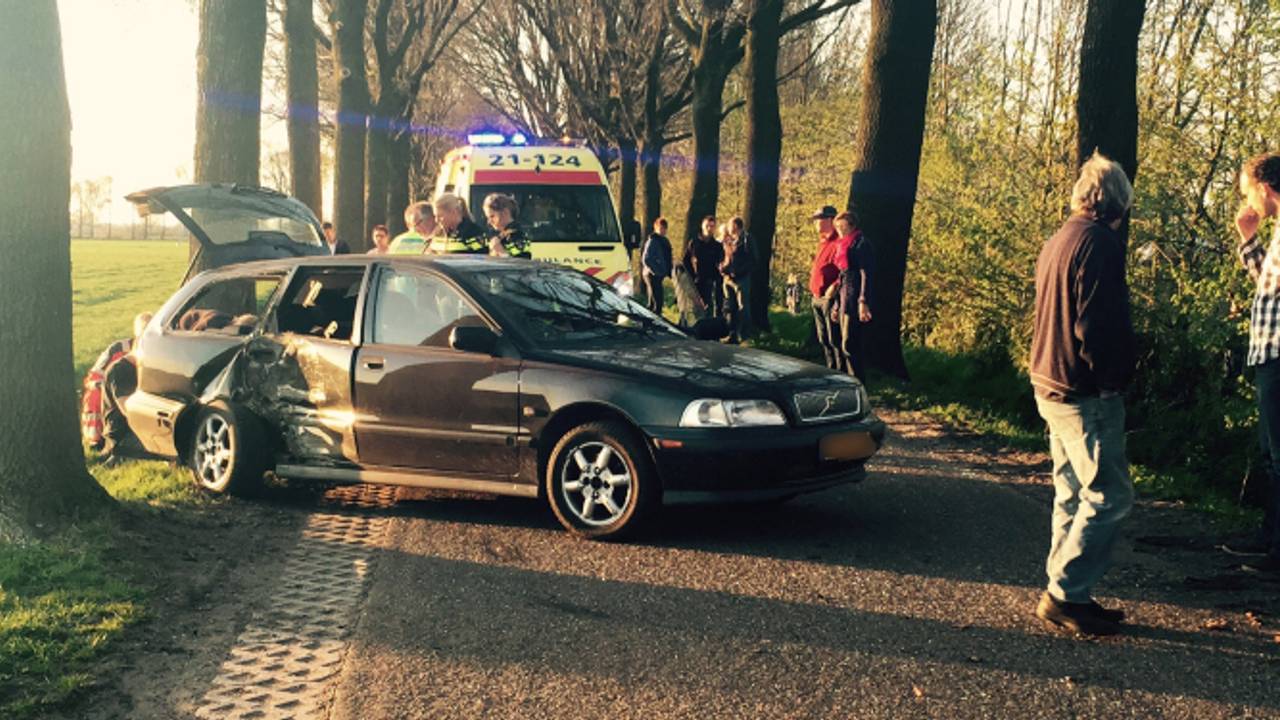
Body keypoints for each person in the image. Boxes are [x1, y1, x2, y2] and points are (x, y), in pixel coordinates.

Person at [1029, 151, 1136, 636]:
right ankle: (1066, 592)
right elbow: (1097, 324)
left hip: (1048, 381)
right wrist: (1114, 378)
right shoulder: (1101, 244)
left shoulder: (1058, 240)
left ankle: (1068, 590)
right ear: (1116, 203)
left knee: (1071, 491)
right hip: (1083, 389)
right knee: (1109, 495)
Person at [1227, 151, 1280, 574]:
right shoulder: (1277, 231)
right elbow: (1270, 288)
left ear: (1264, 188)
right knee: (1269, 453)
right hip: (1269, 354)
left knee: (1278, 455)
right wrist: (1249, 240)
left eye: (1248, 191)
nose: (1247, 200)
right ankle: (1269, 538)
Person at [99, 311, 153, 462]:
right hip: (123, 437)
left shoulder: (151, 368)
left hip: (143, 431)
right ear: (138, 339)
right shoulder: (119, 370)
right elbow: (130, 412)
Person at [833, 210, 874, 381]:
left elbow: (866, 273)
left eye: (843, 226)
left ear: (852, 225)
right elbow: (841, 276)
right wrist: (836, 304)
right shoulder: (843, 245)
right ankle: (849, 380)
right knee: (844, 342)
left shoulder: (861, 244)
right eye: (838, 227)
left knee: (849, 343)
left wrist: (863, 301)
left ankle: (858, 381)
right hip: (844, 296)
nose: (840, 230)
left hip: (855, 295)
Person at [808, 205, 843, 371]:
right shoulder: (822, 242)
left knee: (834, 339)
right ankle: (830, 369)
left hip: (829, 298)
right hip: (816, 296)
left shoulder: (838, 242)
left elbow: (844, 270)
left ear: (830, 220)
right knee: (823, 339)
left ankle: (839, 372)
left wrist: (834, 286)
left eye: (819, 219)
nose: (816, 223)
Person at [684, 215, 724, 321]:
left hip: (710, 280)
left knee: (708, 306)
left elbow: (720, 263)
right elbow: (686, 261)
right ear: (702, 226)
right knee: (694, 307)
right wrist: (690, 276)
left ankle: (707, 329)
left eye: (712, 226)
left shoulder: (717, 246)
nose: (709, 229)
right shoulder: (694, 243)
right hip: (695, 280)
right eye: (707, 226)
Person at [720, 216, 753, 342]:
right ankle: (731, 333)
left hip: (741, 279)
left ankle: (744, 335)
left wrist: (740, 272)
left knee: (743, 307)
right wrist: (721, 267)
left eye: (731, 226)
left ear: (737, 227)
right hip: (727, 278)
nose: (729, 228)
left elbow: (753, 260)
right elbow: (722, 256)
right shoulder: (727, 240)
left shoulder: (746, 239)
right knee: (730, 307)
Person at [482, 193, 532, 258]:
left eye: (492, 216)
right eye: (487, 217)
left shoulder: (518, 235)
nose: (489, 222)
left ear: (505, 212)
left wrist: (500, 250)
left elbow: (523, 264)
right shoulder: (499, 235)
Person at [641, 217, 673, 313]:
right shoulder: (653, 241)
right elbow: (646, 259)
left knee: (653, 302)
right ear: (656, 228)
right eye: (661, 228)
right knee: (657, 302)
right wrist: (656, 271)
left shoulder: (664, 241)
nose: (663, 230)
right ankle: (654, 322)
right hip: (651, 275)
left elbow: (667, 258)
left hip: (658, 275)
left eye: (664, 228)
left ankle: (648, 323)